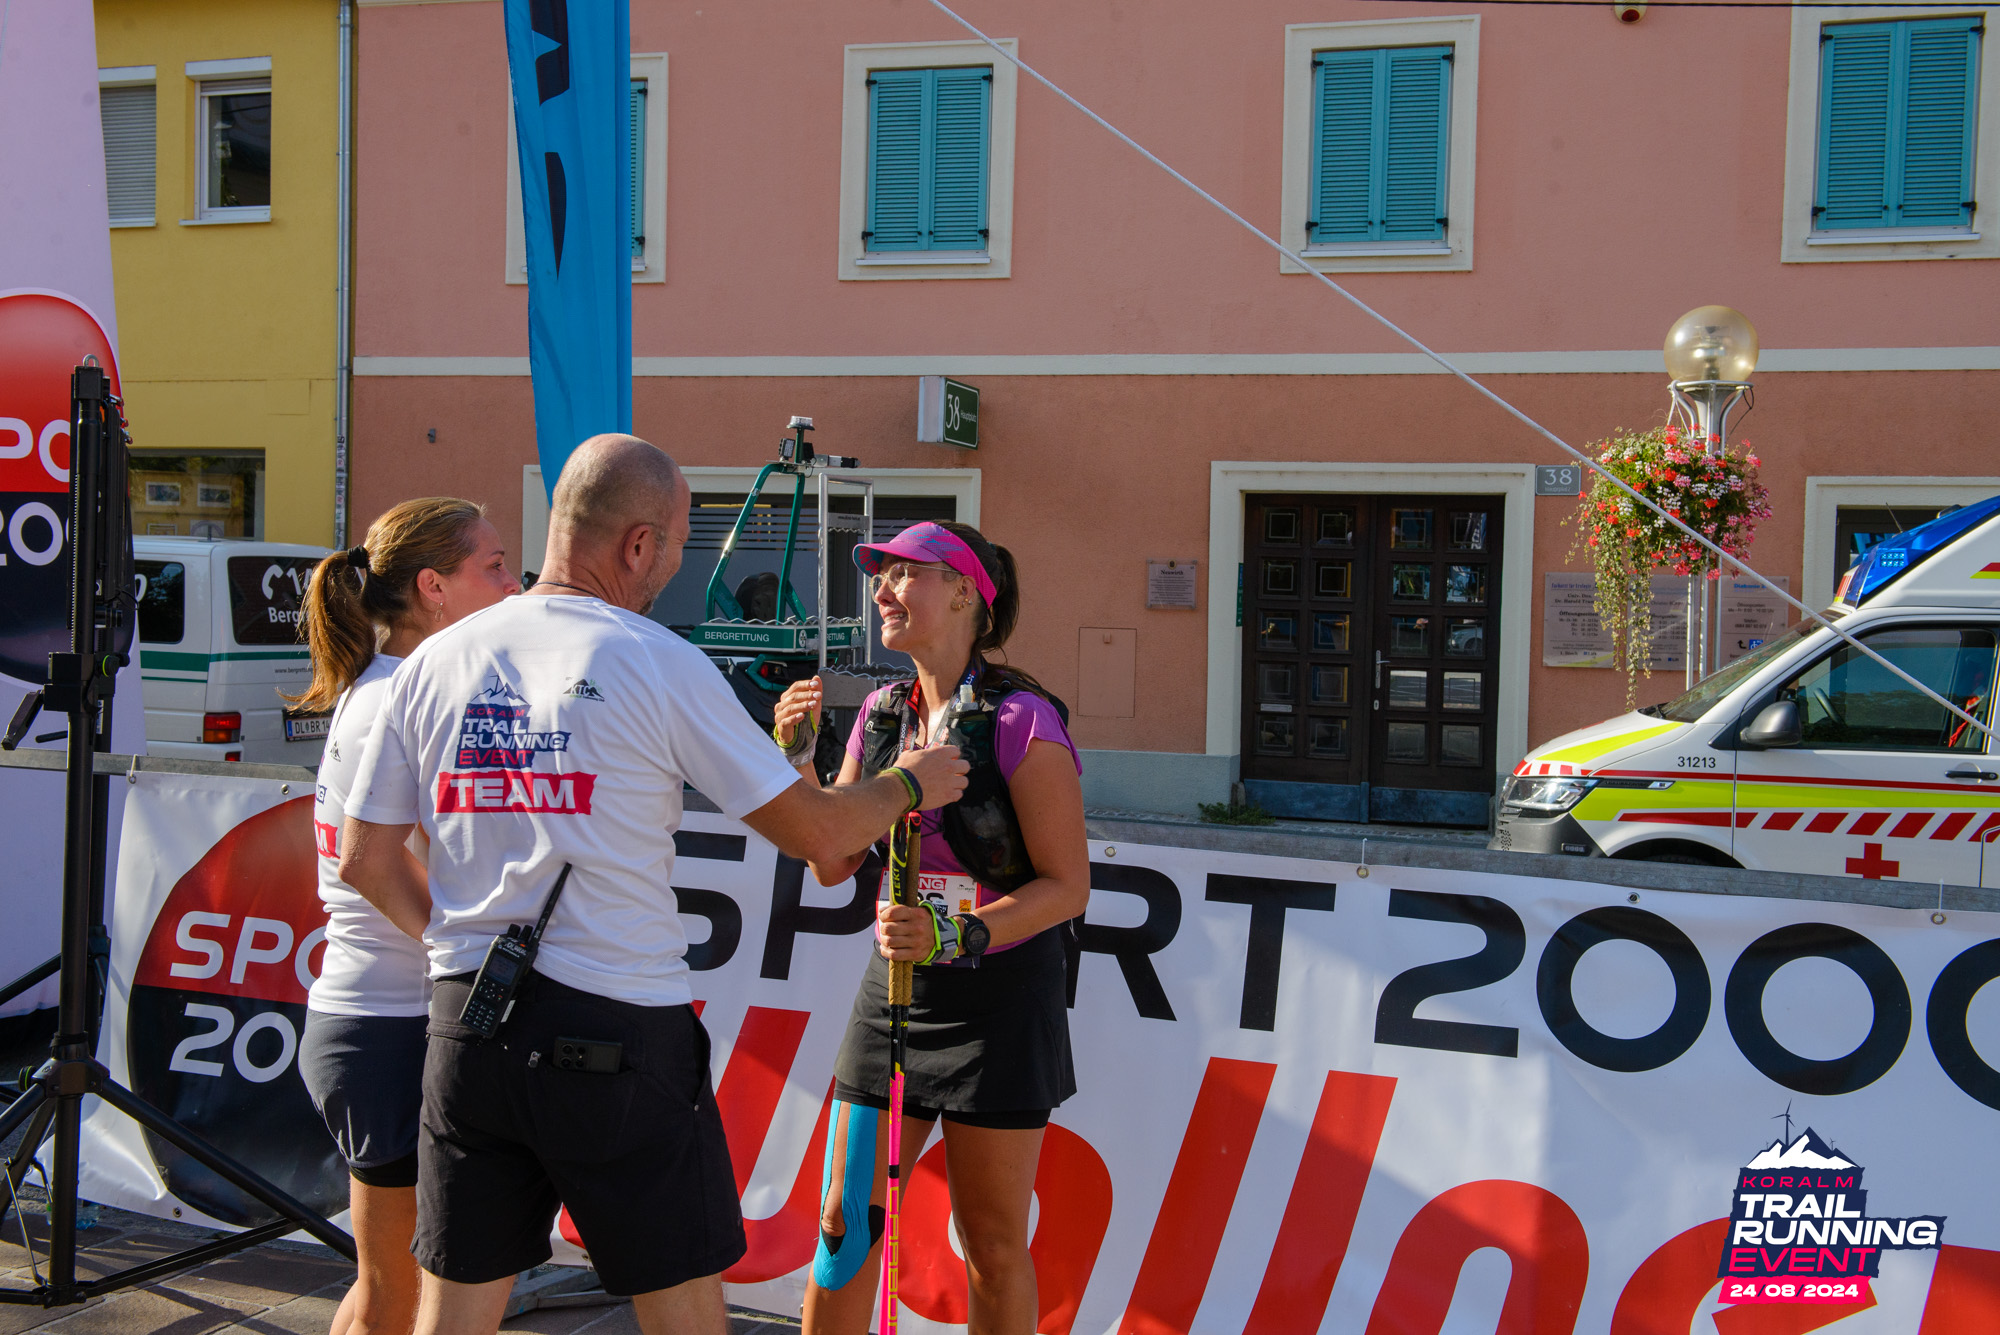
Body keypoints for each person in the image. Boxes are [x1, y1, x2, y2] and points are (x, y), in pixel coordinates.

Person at [337, 435, 970, 1335]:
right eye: (675, 546)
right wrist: (911, 780)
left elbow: (364, 858)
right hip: (618, 1027)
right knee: (680, 1309)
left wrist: (463, 945)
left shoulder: (436, 659)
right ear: (638, 545)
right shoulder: (655, 658)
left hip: (466, 1024)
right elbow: (820, 835)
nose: (674, 568)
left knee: (453, 1312)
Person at [772, 521, 1089, 1335]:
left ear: (963, 592)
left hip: (1001, 1000)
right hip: (896, 994)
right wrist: (801, 761)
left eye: (904, 571)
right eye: (878, 574)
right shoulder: (882, 715)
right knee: (844, 1221)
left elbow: (1068, 886)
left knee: (990, 1242)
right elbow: (832, 863)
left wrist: (957, 936)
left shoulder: (1021, 721)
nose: (882, 589)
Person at [289, 498, 521, 1335]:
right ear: (433, 586)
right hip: (386, 1027)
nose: (513, 583)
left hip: (374, 1024)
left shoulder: (388, 683)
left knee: (391, 1292)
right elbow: (365, 861)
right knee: (401, 1296)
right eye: (493, 565)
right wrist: (473, 969)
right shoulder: (402, 693)